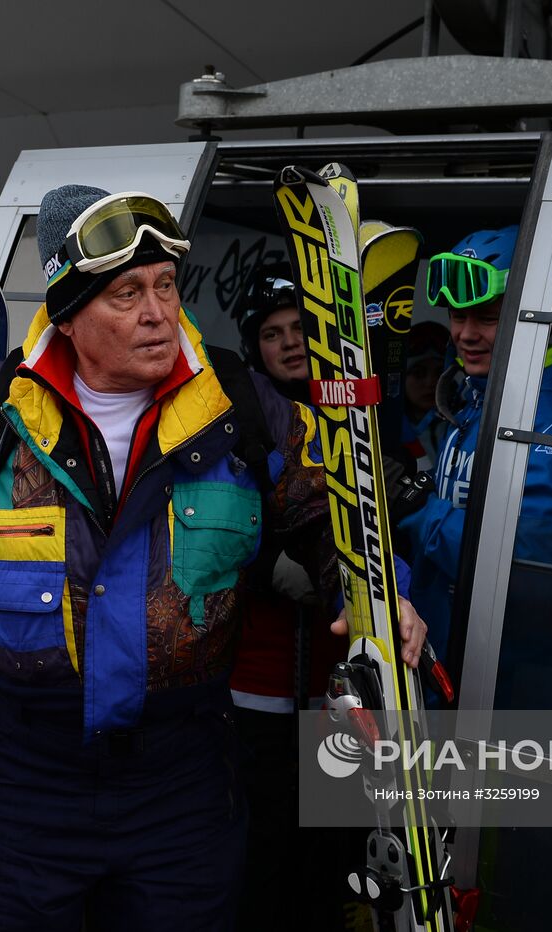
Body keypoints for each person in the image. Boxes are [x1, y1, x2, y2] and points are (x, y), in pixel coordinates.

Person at [0, 185, 427, 931]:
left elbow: (333, 522)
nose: (157, 312)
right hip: (32, 780)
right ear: (70, 310)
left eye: (164, 286)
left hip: (183, 784)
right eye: (126, 293)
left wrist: (378, 599)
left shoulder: (237, 408)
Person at [396, 225, 552, 665]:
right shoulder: (477, 396)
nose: (466, 334)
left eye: (487, 317)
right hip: (451, 650)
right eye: (457, 315)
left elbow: (527, 564)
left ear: (538, 315)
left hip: (511, 671)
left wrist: (416, 507)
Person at [230, 264, 354, 931]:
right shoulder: (240, 419)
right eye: (272, 333)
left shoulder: (347, 412)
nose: (288, 343)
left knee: (326, 850)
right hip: (260, 686)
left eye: (299, 328)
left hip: (332, 685)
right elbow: (203, 536)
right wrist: (266, 564)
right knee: (266, 842)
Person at [400, 320, 451, 472]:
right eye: (418, 373)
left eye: (439, 373)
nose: (430, 383)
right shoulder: (386, 428)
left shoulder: (467, 422)